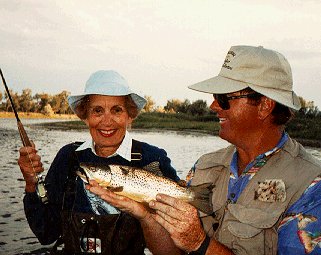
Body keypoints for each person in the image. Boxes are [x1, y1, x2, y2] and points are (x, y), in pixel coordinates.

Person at [87, 46, 321, 255]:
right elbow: (170, 251)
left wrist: (201, 244)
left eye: (223, 98)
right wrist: (146, 216)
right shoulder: (205, 166)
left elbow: (195, 244)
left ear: (264, 106)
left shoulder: (310, 185)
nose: (213, 105)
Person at [18, 70, 180, 255]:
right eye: (97, 111)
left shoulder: (152, 158)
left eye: (116, 110)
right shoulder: (68, 157)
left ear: (130, 115)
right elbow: (46, 233)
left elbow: (173, 250)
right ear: (85, 116)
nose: (107, 121)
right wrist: (31, 183)